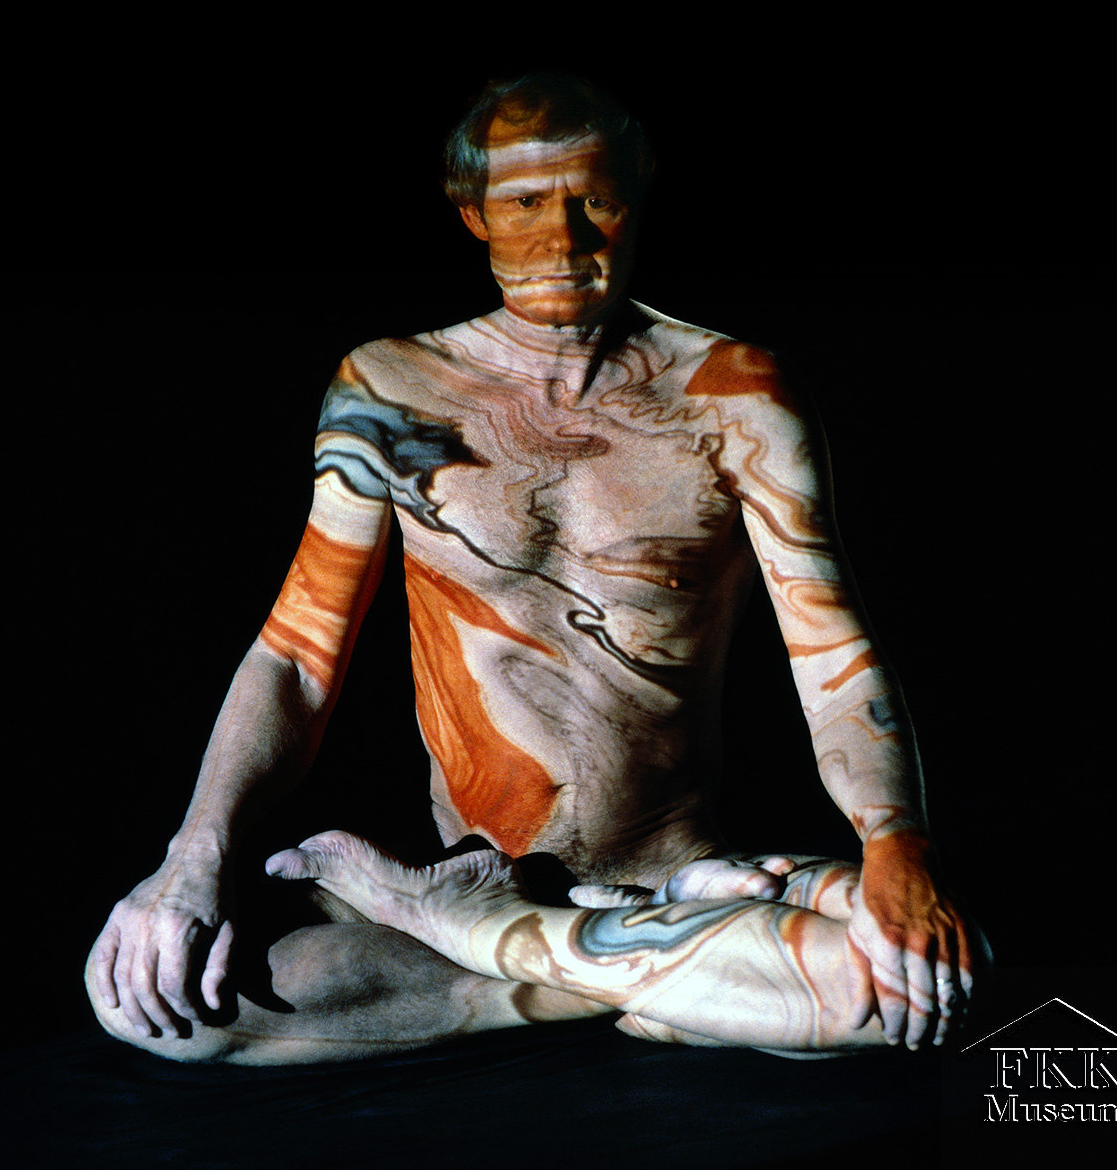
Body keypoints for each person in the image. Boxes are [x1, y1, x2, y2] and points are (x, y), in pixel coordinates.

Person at [86, 72, 983, 1064]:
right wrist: (192, 858)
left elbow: (835, 660)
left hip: (674, 866)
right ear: (471, 212)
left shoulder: (735, 393)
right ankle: (635, 973)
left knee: (931, 983)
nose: (562, 239)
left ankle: (470, 929)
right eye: (523, 204)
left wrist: (899, 847)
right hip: (491, 862)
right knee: (145, 1000)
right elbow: (296, 658)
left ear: (636, 196)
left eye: (592, 200)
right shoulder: (389, 390)